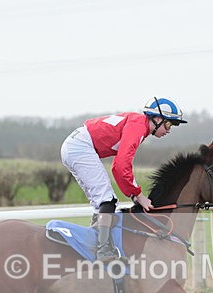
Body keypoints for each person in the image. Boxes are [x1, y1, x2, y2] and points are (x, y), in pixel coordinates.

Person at [61, 97, 187, 262]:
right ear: (157, 119)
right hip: (79, 147)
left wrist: (133, 194)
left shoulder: (138, 125)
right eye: (169, 124)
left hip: (75, 146)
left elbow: (117, 167)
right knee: (107, 200)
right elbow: (121, 166)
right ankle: (103, 250)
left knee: (103, 202)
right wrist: (138, 195)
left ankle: (97, 244)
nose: (169, 130)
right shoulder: (138, 127)